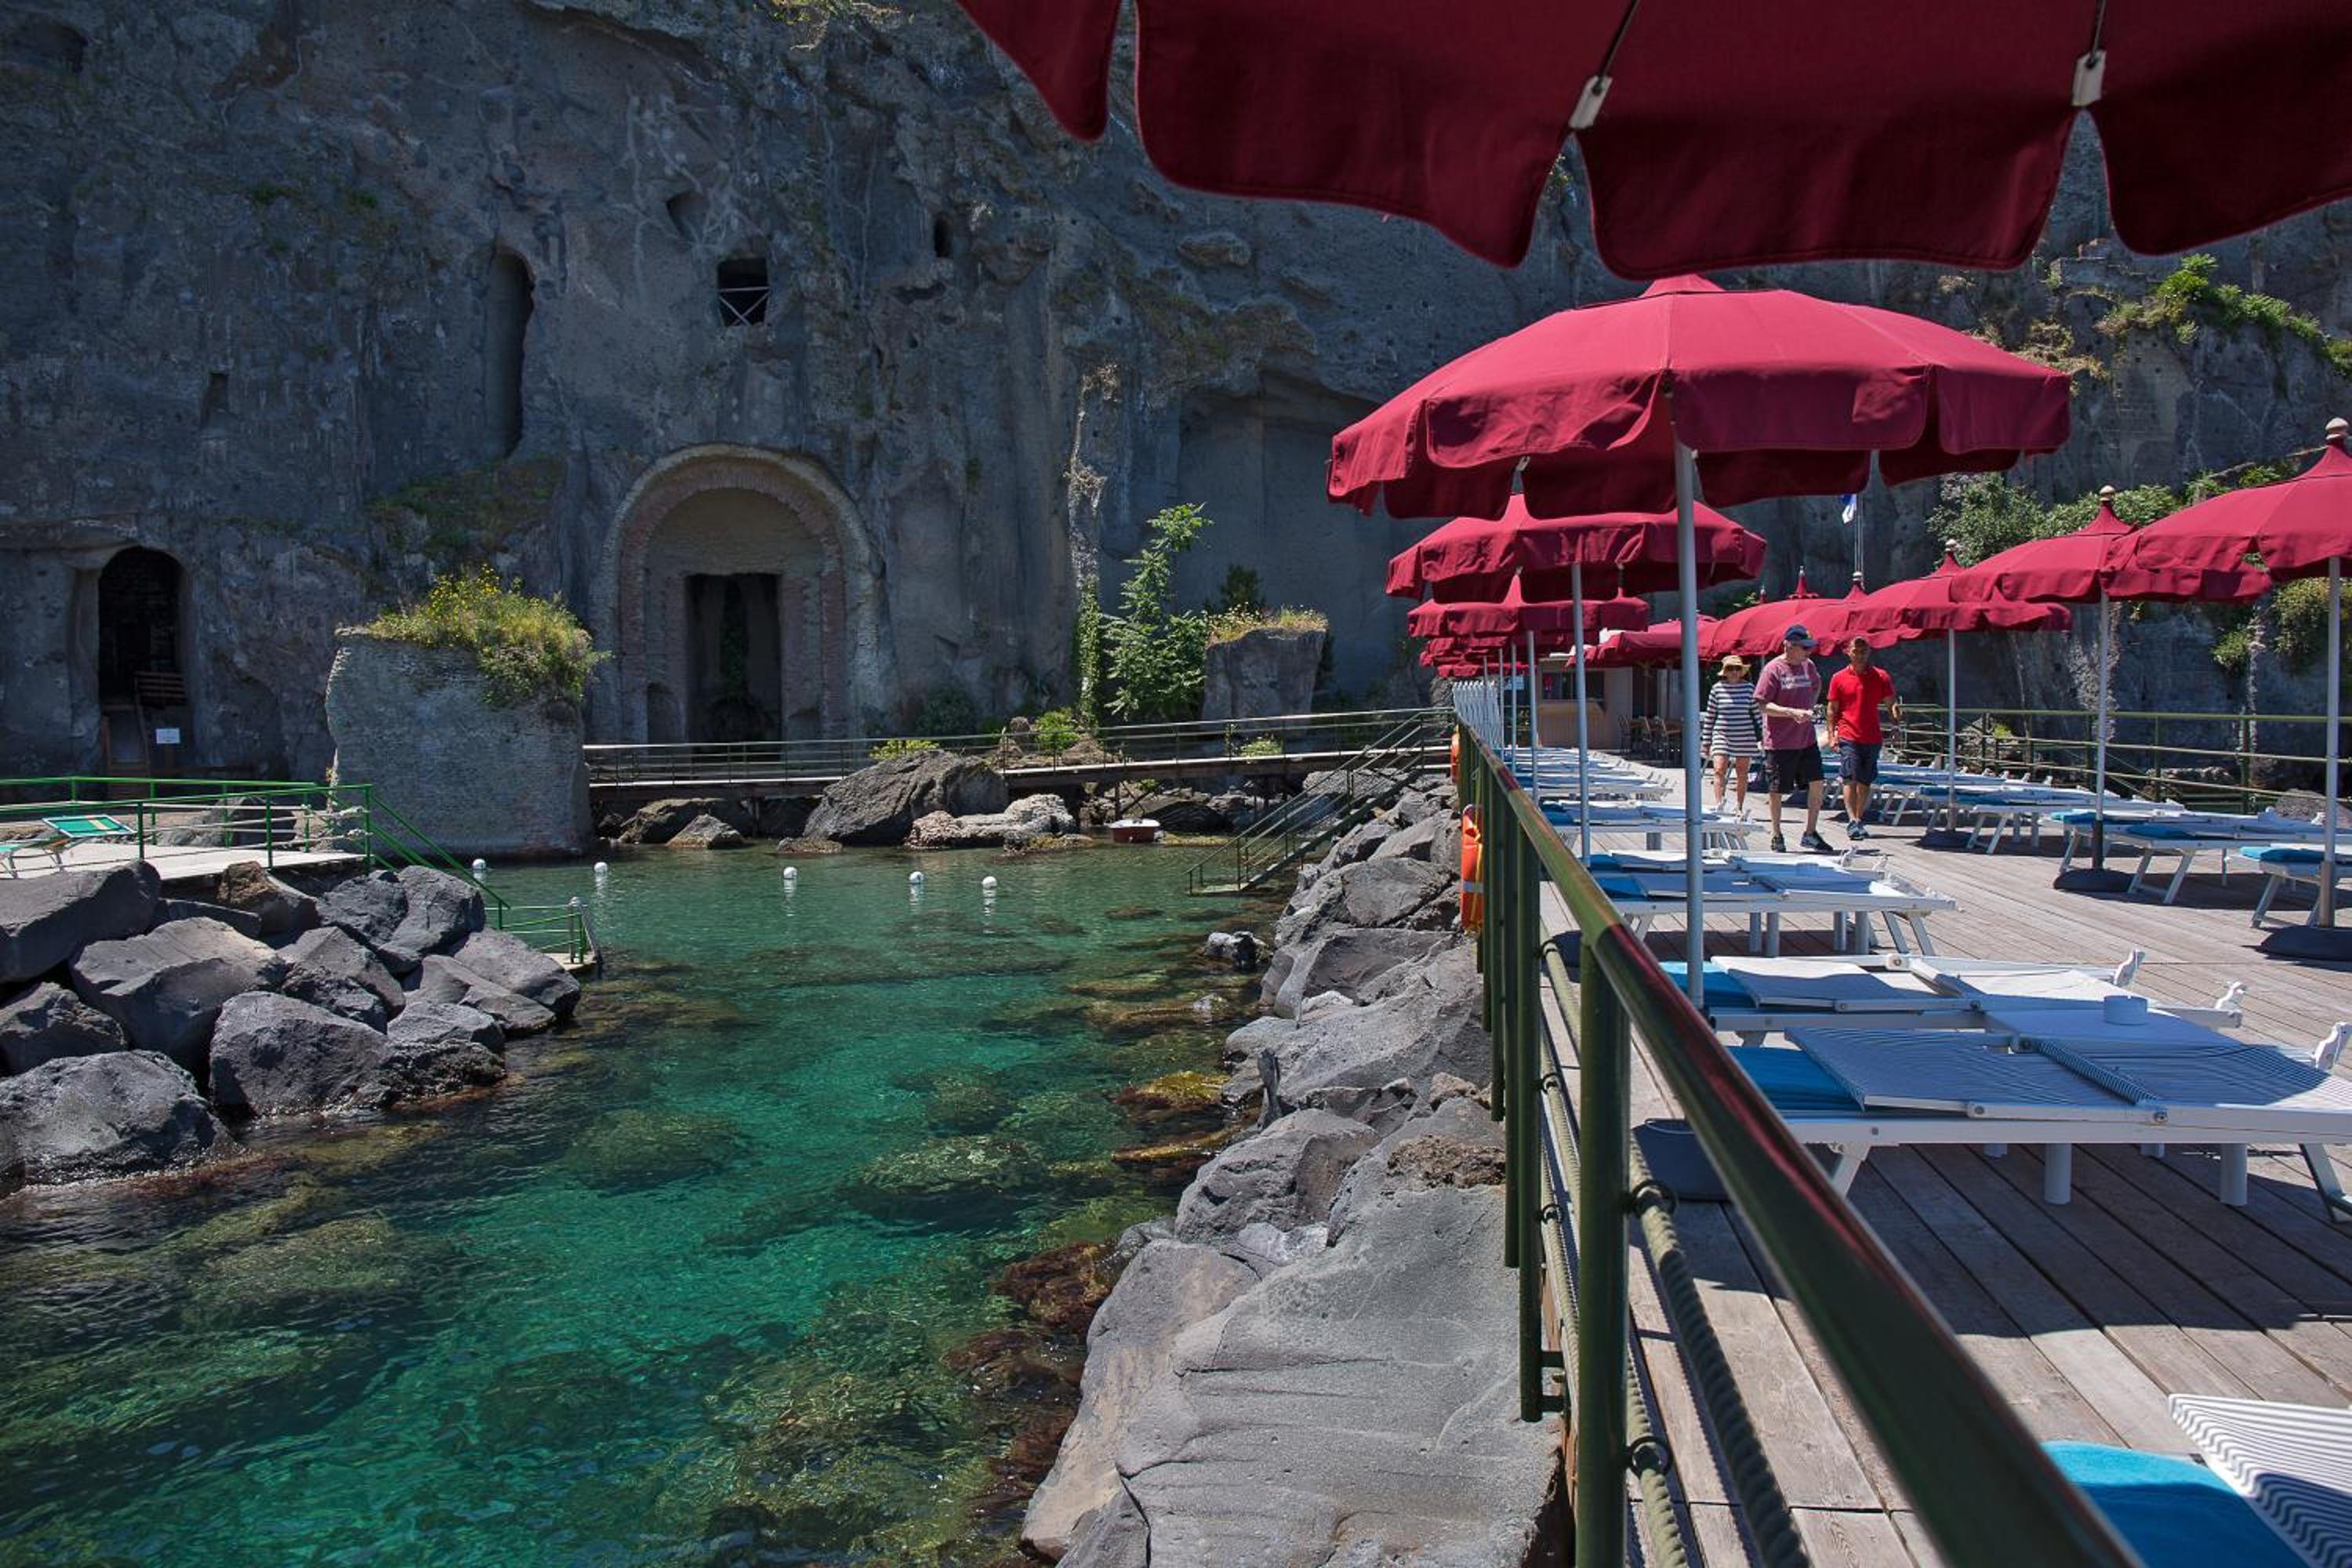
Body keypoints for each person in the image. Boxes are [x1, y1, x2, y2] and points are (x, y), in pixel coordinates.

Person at [1752, 624, 1834, 854]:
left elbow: (1817, 684)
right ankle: (1776, 834)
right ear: (1789, 646)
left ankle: (1810, 832)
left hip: (1806, 739)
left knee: (1817, 782)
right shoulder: (1773, 670)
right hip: (1780, 742)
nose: (1809, 652)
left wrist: (1808, 706)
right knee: (1777, 790)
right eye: (1804, 648)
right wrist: (1791, 712)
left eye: (1810, 647)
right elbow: (1762, 705)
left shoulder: (1809, 666)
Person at [1827, 636, 1901, 838]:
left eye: (1863, 651)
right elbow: (1832, 709)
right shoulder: (1838, 678)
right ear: (1848, 652)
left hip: (1872, 736)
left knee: (1865, 781)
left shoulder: (1881, 676)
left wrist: (1896, 723)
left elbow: (1891, 704)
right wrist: (1832, 735)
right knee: (1849, 777)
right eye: (1856, 651)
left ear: (1869, 653)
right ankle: (1852, 819)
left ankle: (1858, 820)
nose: (1859, 655)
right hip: (1848, 734)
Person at [1698, 655, 1761, 816]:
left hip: (1745, 734)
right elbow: (1710, 716)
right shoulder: (1717, 689)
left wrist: (1765, 735)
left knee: (1742, 772)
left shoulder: (1749, 688)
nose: (1734, 672)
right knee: (1719, 769)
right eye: (1730, 669)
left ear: (1742, 671)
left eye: (1737, 668)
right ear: (1725, 671)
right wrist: (1706, 742)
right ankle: (1720, 803)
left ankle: (1739, 806)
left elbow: (1758, 714)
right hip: (1722, 734)